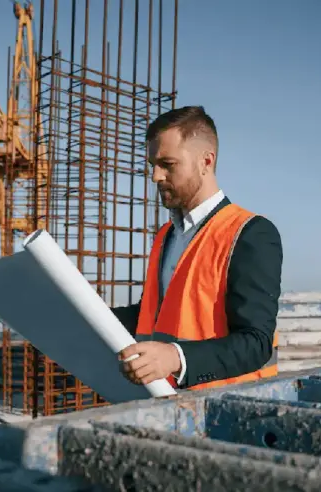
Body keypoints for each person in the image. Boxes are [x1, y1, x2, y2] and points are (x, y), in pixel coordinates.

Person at [111, 105, 283, 392]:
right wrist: (86, 315)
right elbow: (150, 316)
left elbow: (256, 343)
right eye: (153, 164)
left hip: (228, 410)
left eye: (168, 164)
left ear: (206, 161)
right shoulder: (166, 235)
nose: (156, 176)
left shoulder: (250, 233)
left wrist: (176, 358)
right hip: (165, 403)